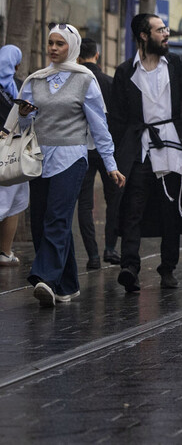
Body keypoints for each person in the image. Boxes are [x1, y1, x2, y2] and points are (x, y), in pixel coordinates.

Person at [19, 24, 125, 306]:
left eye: (60, 44)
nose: (53, 48)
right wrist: (24, 114)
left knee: (57, 218)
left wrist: (110, 163)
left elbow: (99, 126)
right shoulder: (35, 80)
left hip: (72, 158)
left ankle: (44, 278)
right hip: (39, 158)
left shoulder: (85, 80)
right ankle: (67, 285)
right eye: (50, 43)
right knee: (41, 222)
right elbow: (22, 125)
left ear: (73, 48)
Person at [109, 14, 182, 292]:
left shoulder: (176, 64)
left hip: (171, 149)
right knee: (132, 210)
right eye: (160, 30)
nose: (166, 34)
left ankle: (167, 268)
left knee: (170, 212)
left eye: (166, 29)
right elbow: (116, 118)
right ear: (143, 35)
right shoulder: (126, 71)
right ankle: (129, 266)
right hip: (138, 151)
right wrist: (115, 155)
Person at [75, 37, 122, 270]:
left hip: (79, 148)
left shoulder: (73, 80)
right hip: (106, 149)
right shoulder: (109, 82)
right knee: (113, 198)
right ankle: (110, 248)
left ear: (77, 56)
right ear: (97, 55)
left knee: (84, 203)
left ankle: (92, 255)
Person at [0, 45, 28, 267]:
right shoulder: (21, 87)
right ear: (16, 64)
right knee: (12, 204)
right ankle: (4, 251)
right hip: (12, 154)